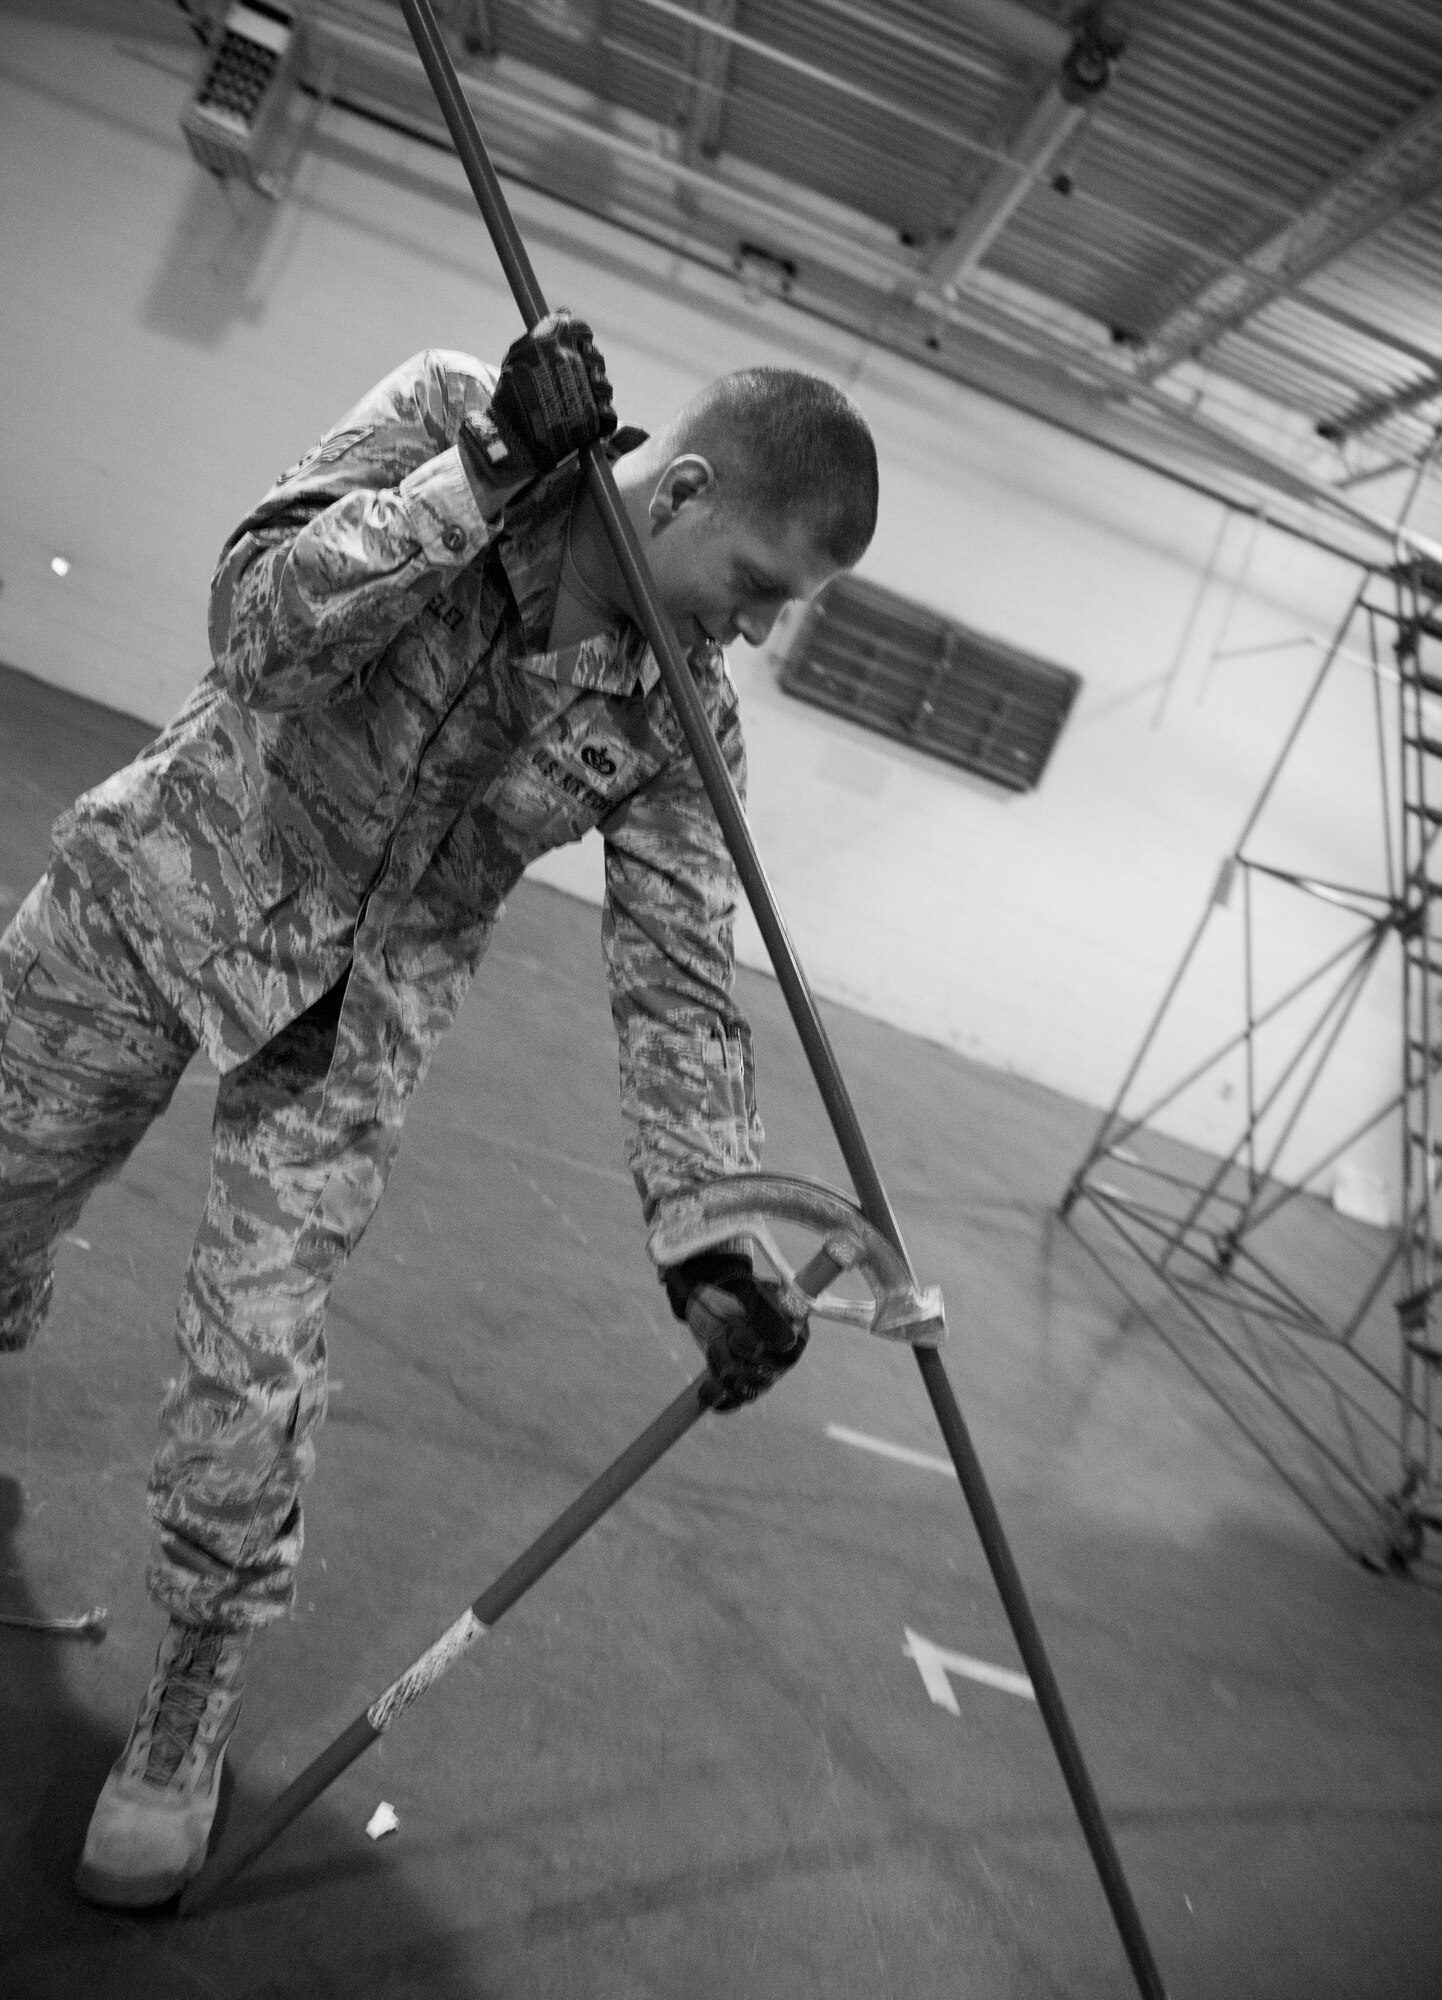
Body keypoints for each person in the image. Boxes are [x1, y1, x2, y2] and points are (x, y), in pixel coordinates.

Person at [0, 313, 879, 1906]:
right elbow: (255, 633)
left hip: (355, 1010)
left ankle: (192, 1687)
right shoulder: (456, 413)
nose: (751, 634)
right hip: (174, 878)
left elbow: (679, 971)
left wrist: (704, 1228)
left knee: (249, 1362)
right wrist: (476, 479)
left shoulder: (684, 719)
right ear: (675, 493)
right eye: (756, 588)